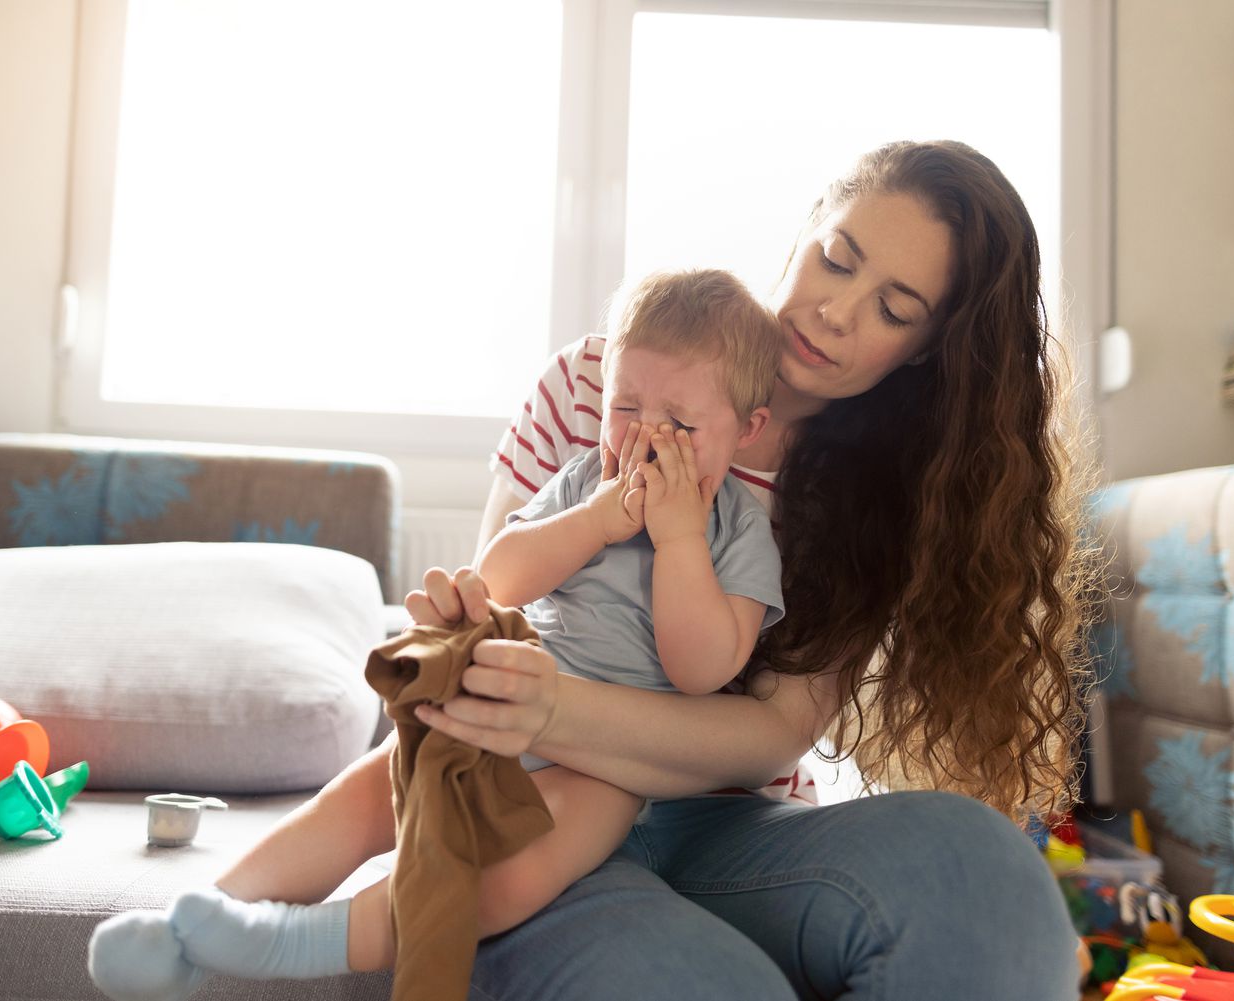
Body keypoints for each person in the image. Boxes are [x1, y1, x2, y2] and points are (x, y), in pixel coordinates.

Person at [96, 139, 1096, 1000]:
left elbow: (764, 733)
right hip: (523, 792)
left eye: (894, 306)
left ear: (927, 350)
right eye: (837, 258)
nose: (836, 311)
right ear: (806, 228)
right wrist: (478, 628)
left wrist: (567, 693)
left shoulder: (877, 494)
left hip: (724, 822)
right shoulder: (606, 382)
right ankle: (212, 923)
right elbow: (509, 583)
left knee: (990, 880)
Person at [86, 269, 786, 1000]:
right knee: (367, 793)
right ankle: (189, 925)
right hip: (497, 697)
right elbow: (500, 576)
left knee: (515, 872)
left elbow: (704, 667)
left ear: (748, 429)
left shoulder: (737, 529)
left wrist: (678, 539)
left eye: (680, 424)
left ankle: (301, 941)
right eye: (626, 406)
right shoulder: (586, 481)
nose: (644, 437)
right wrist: (598, 520)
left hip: (609, 765)